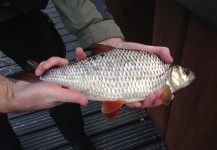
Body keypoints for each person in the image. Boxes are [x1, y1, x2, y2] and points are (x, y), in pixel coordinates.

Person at [0, 0, 173, 150]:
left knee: (55, 85)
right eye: (186, 73)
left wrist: (101, 34)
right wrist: (8, 95)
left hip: (19, 12)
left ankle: (77, 137)